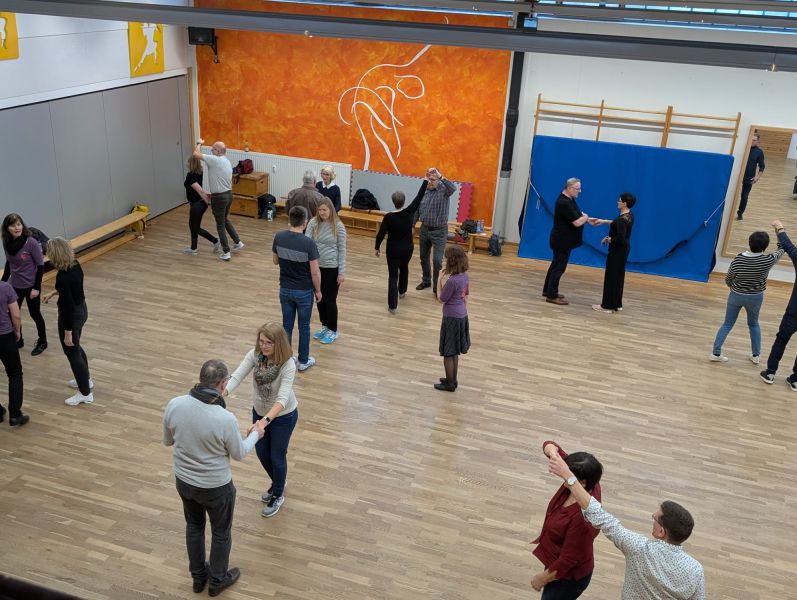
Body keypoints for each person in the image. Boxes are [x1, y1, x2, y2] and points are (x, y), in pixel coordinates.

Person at [163, 359, 266, 596]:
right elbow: (239, 453)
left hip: (184, 481)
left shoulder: (175, 404)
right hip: (216, 488)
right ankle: (218, 580)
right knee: (221, 533)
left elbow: (168, 441)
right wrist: (256, 434)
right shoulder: (224, 418)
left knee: (194, 526)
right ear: (223, 384)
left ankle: (198, 577)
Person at [548, 452, 705, 600]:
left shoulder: (639, 548)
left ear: (661, 532)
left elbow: (599, 516)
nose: (652, 516)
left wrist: (569, 477)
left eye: (655, 518)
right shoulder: (696, 570)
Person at [226, 323, 299, 518]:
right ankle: (278, 482)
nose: (263, 346)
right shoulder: (255, 356)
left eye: (269, 343)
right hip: (259, 413)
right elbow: (237, 376)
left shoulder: (288, 365)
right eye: (261, 341)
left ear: (279, 343)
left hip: (283, 416)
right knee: (261, 453)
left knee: (277, 456)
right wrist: (220, 393)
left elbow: (282, 400)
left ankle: (277, 494)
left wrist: (264, 421)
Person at [531, 441, 602, 599]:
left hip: (567, 580)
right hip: (556, 565)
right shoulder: (589, 480)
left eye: (567, 476)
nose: (564, 478)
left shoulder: (583, 519)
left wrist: (541, 578)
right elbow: (549, 444)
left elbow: (568, 560)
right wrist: (553, 454)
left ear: (582, 482)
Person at [711, 229, 783, 363]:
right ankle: (756, 356)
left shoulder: (738, 259)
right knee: (754, 324)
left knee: (727, 324)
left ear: (749, 242)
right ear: (765, 246)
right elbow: (782, 249)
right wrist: (779, 232)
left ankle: (715, 353)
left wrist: (733, 287)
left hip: (735, 296)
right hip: (756, 298)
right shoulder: (767, 260)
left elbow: (728, 279)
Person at [42, 238, 94, 406]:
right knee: (76, 348)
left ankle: (85, 393)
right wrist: (54, 293)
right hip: (82, 309)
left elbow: (68, 307)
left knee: (72, 351)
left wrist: (68, 332)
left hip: (71, 316)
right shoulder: (75, 265)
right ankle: (86, 380)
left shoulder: (62, 278)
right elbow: (74, 289)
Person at [273, 206, 322, 372]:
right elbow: (315, 272)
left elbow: (275, 261)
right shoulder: (309, 243)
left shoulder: (279, 237)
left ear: (290, 219)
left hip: (285, 289)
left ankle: (286, 360)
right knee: (304, 327)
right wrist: (318, 291)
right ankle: (303, 361)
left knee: (286, 326)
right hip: (304, 292)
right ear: (305, 222)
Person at [375, 181, 428, 313]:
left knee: (393, 275)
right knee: (404, 267)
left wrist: (377, 247)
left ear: (393, 202)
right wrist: (425, 181)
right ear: (404, 201)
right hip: (407, 249)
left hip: (393, 250)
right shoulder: (409, 212)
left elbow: (381, 234)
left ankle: (392, 306)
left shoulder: (388, 217)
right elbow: (419, 196)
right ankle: (402, 291)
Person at [543, 178, 595, 306]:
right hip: (562, 241)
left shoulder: (569, 199)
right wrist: (585, 218)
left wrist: (587, 219)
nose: (580, 191)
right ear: (569, 188)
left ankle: (548, 290)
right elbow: (577, 222)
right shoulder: (564, 202)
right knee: (559, 268)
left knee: (555, 265)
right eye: (578, 188)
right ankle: (551, 295)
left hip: (562, 240)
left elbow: (576, 215)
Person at [2, 213, 47, 355]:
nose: (17, 228)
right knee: (13, 314)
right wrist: (2, 282)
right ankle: (18, 339)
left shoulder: (31, 242)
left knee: (35, 314)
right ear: (7, 228)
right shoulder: (6, 243)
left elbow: (40, 265)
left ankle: (43, 342)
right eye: (13, 225)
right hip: (15, 286)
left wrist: (36, 288)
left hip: (31, 286)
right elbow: (9, 263)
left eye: (19, 224)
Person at [760, 220, 797, 389]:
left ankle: (770, 373)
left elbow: (788, 246)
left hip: (793, 313)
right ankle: (795, 379)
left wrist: (780, 229)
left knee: (781, 340)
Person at [193, 139, 244, 261]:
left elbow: (195, 154)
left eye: (213, 149)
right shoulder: (226, 161)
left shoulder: (215, 160)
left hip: (219, 197)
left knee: (220, 224)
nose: (211, 151)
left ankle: (226, 252)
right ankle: (237, 242)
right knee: (225, 220)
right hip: (228, 195)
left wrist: (199, 143)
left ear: (219, 151)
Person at [305, 198, 347, 344]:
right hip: (316, 267)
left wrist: (341, 272)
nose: (322, 212)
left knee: (330, 299)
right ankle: (325, 325)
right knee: (319, 298)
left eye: (325, 210)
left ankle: (333, 330)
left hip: (332, 268)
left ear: (331, 210)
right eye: (320, 210)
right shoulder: (313, 223)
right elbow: (307, 242)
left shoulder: (338, 227)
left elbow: (342, 250)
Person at [591, 192, 636, 313]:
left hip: (617, 251)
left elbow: (620, 239)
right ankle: (616, 304)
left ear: (624, 203)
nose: (617, 202)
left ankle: (607, 306)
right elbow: (618, 224)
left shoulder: (622, 220)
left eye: (619, 200)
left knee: (611, 277)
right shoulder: (629, 215)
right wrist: (604, 221)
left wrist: (608, 239)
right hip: (623, 250)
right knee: (618, 277)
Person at [416, 167, 456, 295]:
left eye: (433, 179)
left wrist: (441, 176)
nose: (430, 182)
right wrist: (412, 225)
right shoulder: (425, 191)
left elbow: (453, 188)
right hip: (424, 229)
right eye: (428, 179)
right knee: (423, 257)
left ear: (438, 180)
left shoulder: (443, 190)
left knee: (437, 260)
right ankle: (426, 281)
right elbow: (417, 208)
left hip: (439, 232)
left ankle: (436, 287)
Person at [434, 245, 470, 392]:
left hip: (451, 318)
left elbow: (441, 298)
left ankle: (449, 384)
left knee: (448, 352)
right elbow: (465, 295)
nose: (444, 260)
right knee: (454, 351)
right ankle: (453, 380)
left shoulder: (453, 281)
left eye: (446, 258)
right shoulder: (465, 276)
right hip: (462, 316)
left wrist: (439, 279)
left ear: (452, 261)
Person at [0, 280, 27, 427]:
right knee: (15, 373)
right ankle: (15, 415)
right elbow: (16, 315)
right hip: (5, 337)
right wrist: (17, 331)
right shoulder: (5, 287)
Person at [182, 155, 220, 256]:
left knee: (195, 228)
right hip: (199, 204)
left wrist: (209, 202)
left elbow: (200, 191)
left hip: (197, 205)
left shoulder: (190, 176)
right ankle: (193, 248)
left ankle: (215, 241)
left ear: (190, 163)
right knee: (193, 226)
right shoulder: (200, 172)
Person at [736, 132, 765, 221]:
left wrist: (757, 177)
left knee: (744, 196)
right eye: (751, 139)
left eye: (754, 140)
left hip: (749, 177)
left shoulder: (759, 152)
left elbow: (762, 166)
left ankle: (740, 213)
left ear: (758, 141)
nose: (752, 141)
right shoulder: (743, 148)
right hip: (737, 176)